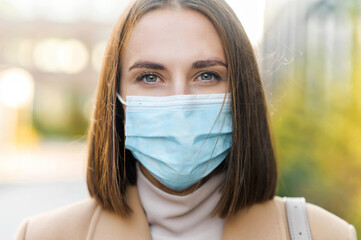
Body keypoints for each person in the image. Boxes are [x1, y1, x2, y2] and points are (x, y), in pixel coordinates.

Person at [15, 0, 357, 239]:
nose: (181, 102)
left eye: (207, 75)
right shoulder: (43, 236)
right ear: (116, 100)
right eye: (150, 77)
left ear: (241, 95)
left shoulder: (323, 235)